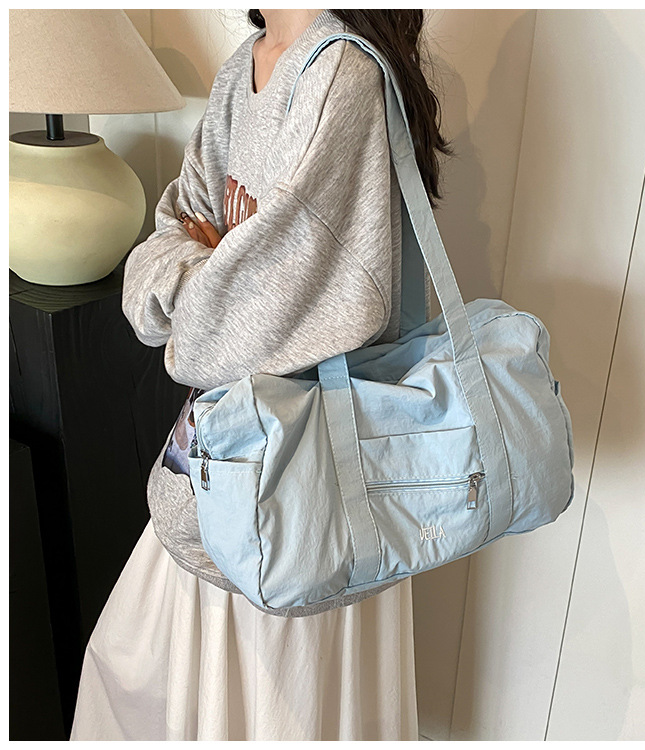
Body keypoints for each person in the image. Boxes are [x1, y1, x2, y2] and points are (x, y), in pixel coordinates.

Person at [70, 8, 453, 740]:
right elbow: (167, 248)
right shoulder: (241, 68)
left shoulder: (341, 75)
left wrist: (216, 266)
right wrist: (218, 268)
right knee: (141, 674)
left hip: (296, 487)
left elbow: (262, 316)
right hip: (231, 465)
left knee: (262, 712)